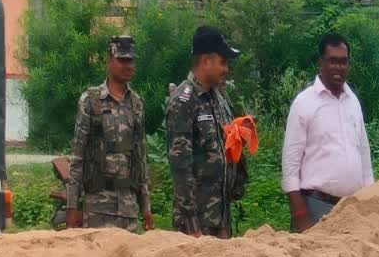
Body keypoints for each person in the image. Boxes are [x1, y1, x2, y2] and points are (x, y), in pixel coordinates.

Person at [281, 33, 375, 232]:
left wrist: (370, 202)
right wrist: (300, 215)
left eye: (343, 62)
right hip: (315, 207)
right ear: (321, 62)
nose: (338, 68)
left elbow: (364, 157)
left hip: (353, 208)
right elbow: (290, 165)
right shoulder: (304, 103)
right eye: (333, 61)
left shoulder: (353, 102)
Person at [166, 26, 248, 238]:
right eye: (223, 62)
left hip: (221, 217)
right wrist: (191, 221)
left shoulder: (219, 98)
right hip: (197, 224)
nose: (226, 69)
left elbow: (226, 147)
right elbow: (180, 167)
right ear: (205, 61)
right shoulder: (184, 101)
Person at [66, 36, 154, 232]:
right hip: (98, 207)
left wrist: (146, 206)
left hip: (128, 207)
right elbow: (78, 157)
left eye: (131, 60)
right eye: (122, 60)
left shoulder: (136, 104)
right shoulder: (91, 100)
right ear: (109, 60)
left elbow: (140, 158)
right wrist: (72, 206)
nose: (128, 65)